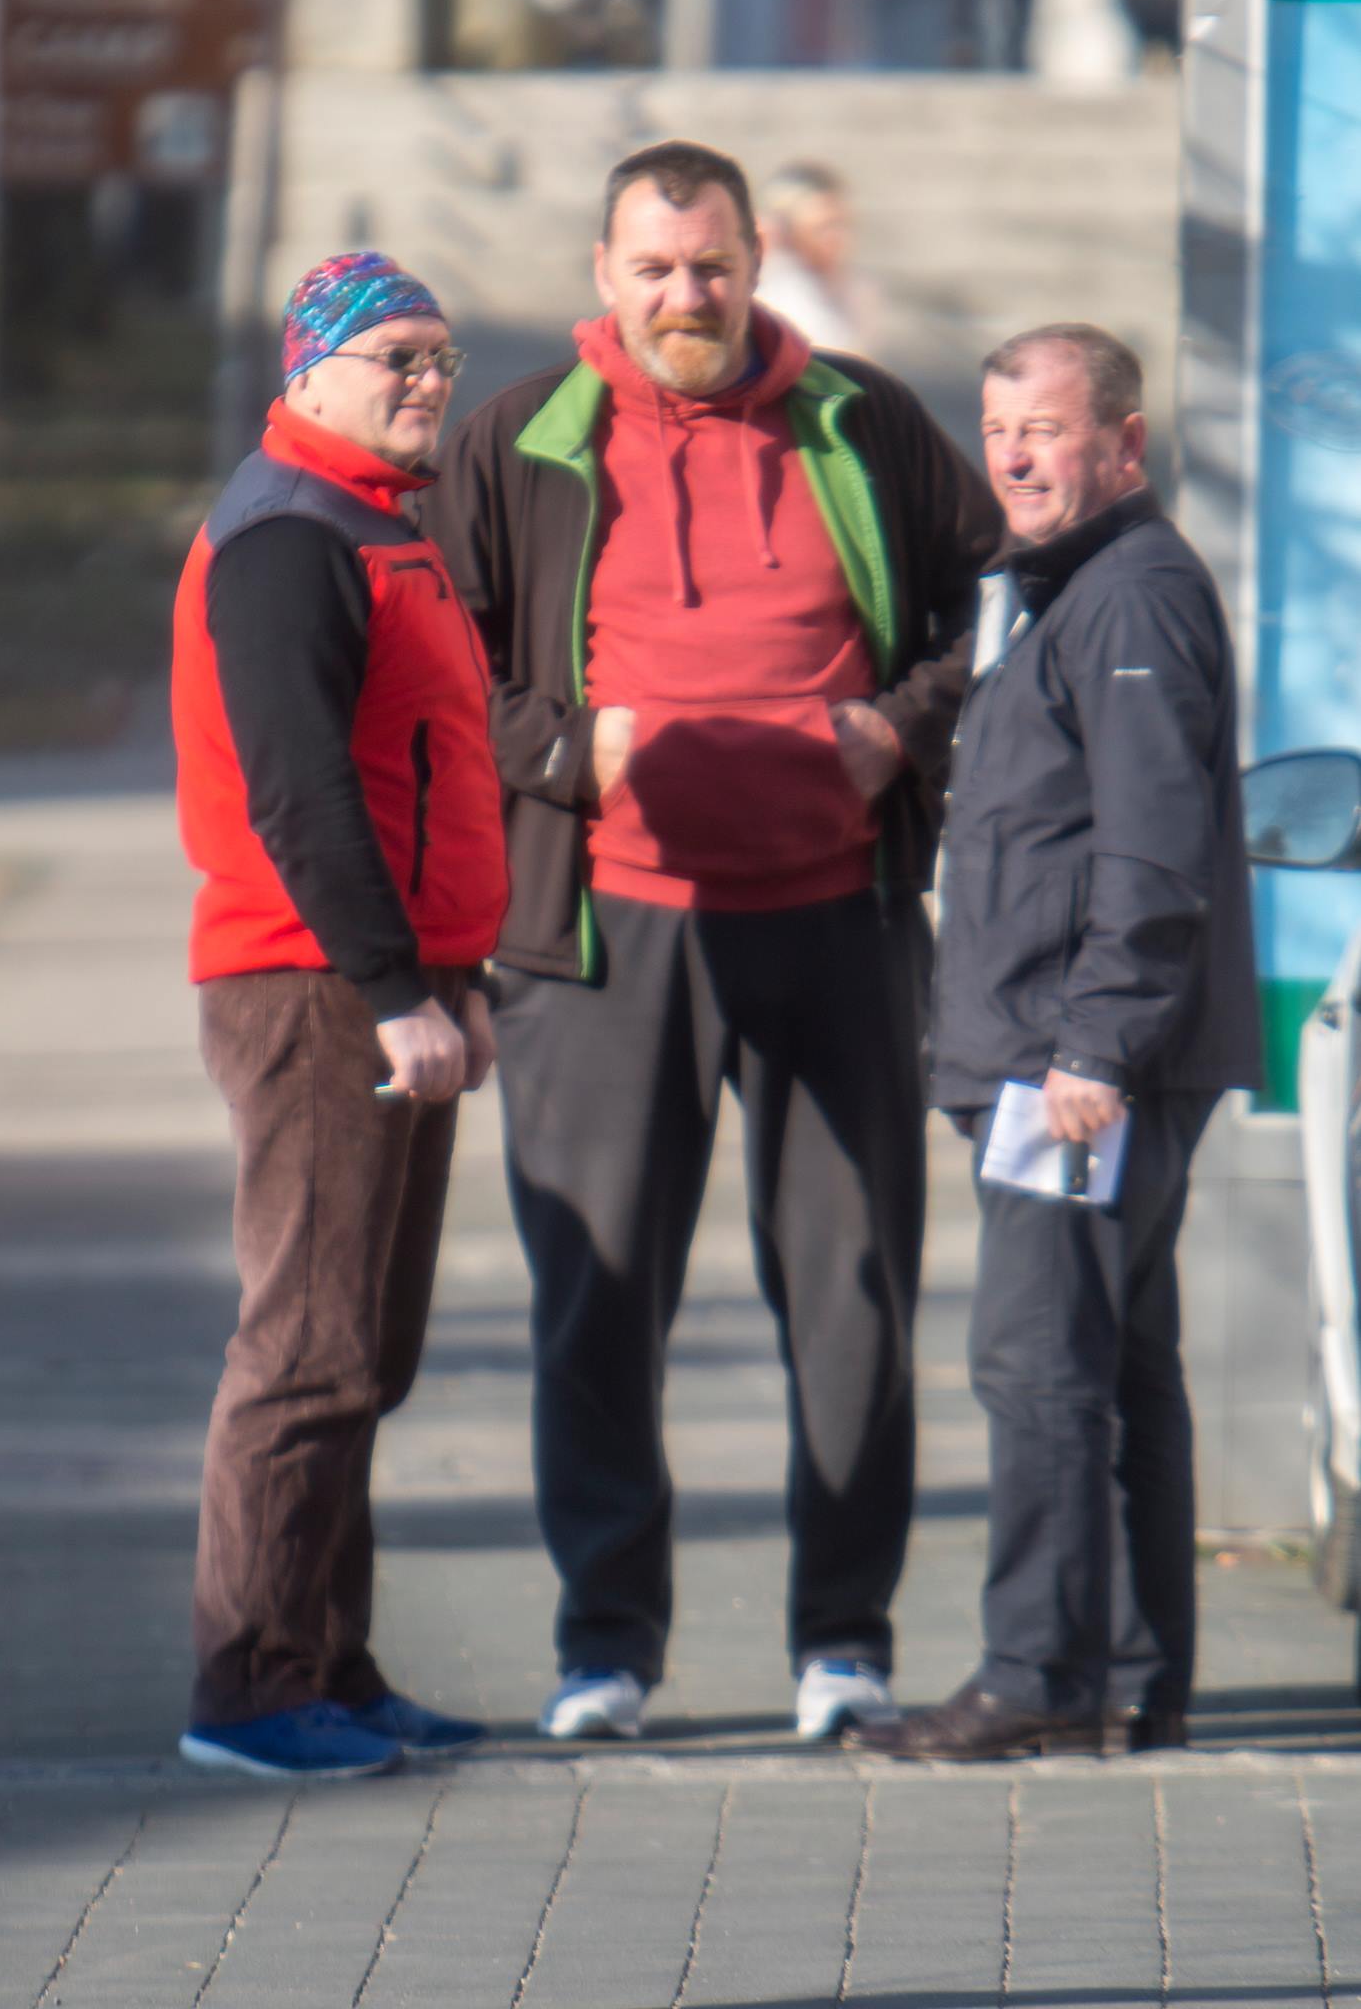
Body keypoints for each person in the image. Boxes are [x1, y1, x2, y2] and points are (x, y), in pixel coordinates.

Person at [428, 140, 1000, 1742]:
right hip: (605, 933)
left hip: (838, 920)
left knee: (855, 1297)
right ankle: (605, 1647)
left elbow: (995, 606)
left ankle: (844, 1644)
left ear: (755, 264)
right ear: (603, 277)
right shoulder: (522, 438)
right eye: (656, 268)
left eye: (712, 266)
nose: (687, 295)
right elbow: (440, 659)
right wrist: (564, 750)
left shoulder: (863, 419)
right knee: (599, 1302)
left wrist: (901, 728)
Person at [850, 323, 1262, 1762]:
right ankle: (1134, 1678)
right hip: (1069, 1053)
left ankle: (1036, 1672)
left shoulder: (1130, 596)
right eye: (998, 429)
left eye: (1049, 428)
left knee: (1036, 1364)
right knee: (1118, 1361)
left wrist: (1092, 1048)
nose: (1015, 457)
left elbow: (1152, 850)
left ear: (1125, 443)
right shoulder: (1065, 589)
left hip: (1073, 1069)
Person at [171, 252, 509, 1778]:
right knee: (307, 1344)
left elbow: (422, 775)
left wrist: (455, 980)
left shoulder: (377, 523)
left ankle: (328, 1663)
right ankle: (249, 1688)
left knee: (368, 1349)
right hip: (311, 984)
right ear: (308, 373)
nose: (426, 380)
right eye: (394, 356)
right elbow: (302, 794)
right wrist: (390, 988)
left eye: (439, 355)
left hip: (388, 985)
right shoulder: (287, 537)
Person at [756, 161, 876, 358]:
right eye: (824, 228)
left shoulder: (855, 289)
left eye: (842, 224)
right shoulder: (778, 293)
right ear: (786, 230)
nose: (837, 238)